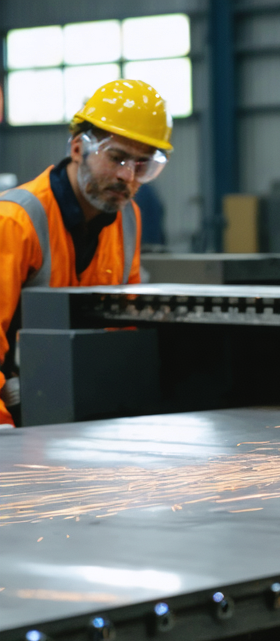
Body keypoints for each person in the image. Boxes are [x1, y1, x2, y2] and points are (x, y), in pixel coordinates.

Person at [0, 79, 173, 428]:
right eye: (117, 158)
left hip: (82, 408)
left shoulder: (128, 218)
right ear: (79, 147)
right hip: (17, 410)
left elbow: (125, 325)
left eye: (142, 165)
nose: (127, 176)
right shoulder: (15, 221)